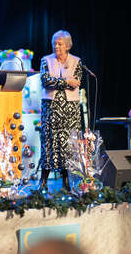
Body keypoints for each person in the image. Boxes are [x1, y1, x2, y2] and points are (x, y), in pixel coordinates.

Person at [39, 30, 83, 192]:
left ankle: (67, 181)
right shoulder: (46, 60)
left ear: (68, 46)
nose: (56, 46)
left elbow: (76, 82)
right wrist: (66, 81)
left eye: (60, 44)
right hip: (51, 109)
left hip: (70, 111)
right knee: (48, 143)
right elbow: (46, 81)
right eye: (54, 43)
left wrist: (59, 82)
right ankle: (43, 181)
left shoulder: (76, 61)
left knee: (68, 145)